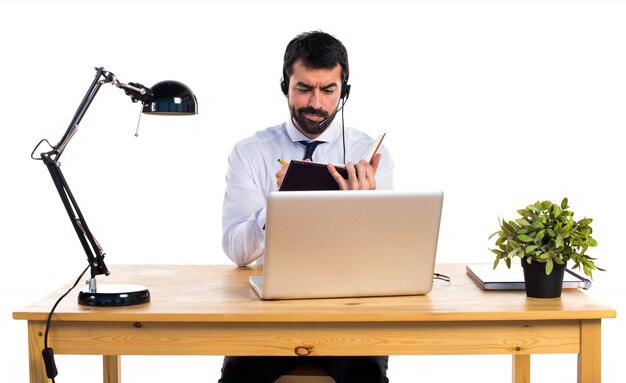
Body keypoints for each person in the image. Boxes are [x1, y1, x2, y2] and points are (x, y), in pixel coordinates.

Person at [220, 31, 393, 383]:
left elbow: (385, 258)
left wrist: (364, 212)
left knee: (366, 377)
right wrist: (279, 206)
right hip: (272, 310)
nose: (316, 103)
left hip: (351, 310)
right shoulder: (249, 152)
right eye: (304, 89)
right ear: (285, 86)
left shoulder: (370, 157)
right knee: (238, 377)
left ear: (343, 91)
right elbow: (237, 252)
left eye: (328, 90)